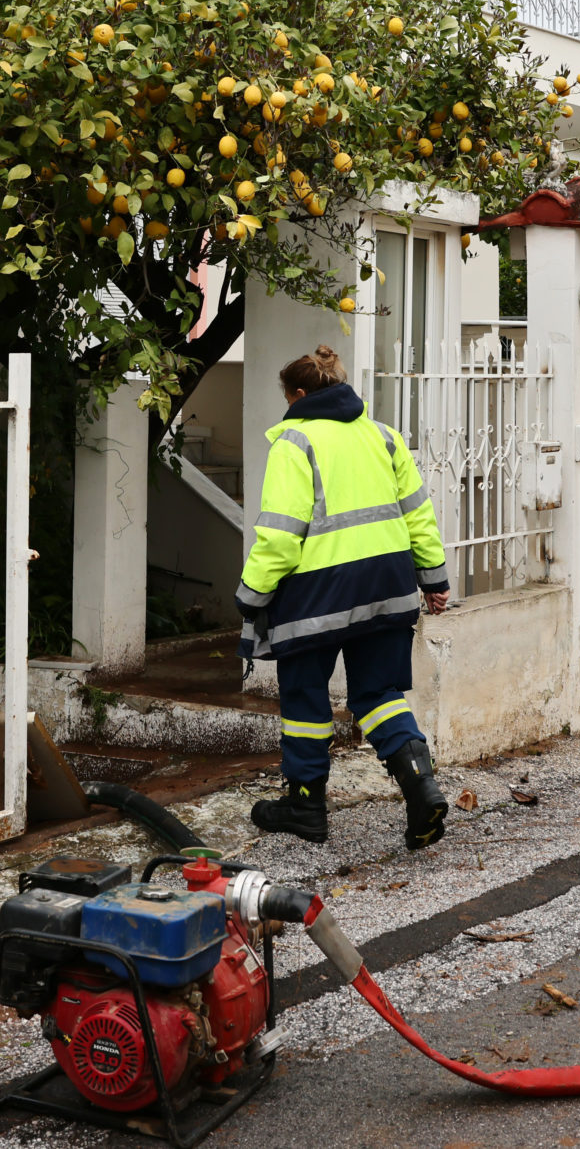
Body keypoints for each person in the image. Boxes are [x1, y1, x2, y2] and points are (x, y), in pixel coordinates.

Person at [237, 345, 452, 849]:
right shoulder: (384, 436)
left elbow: (280, 535)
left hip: (317, 594)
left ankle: (306, 805)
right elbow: (418, 514)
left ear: (299, 394)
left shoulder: (294, 442)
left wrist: (252, 594)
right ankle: (421, 784)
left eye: (287, 398)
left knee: (305, 698)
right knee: (378, 695)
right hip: (388, 586)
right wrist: (434, 580)